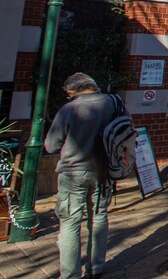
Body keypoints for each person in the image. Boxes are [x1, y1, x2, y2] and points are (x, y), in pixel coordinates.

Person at [44, 73, 116, 279]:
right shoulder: (114, 103)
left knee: (70, 222)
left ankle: (70, 274)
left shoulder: (69, 109)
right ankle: (97, 266)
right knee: (100, 216)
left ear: (73, 91)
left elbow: (51, 145)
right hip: (104, 170)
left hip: (74, 170)